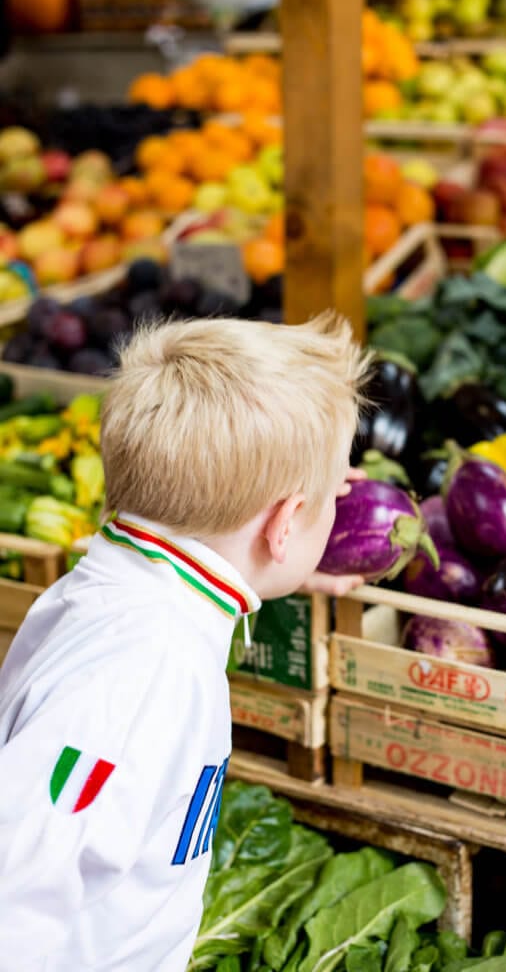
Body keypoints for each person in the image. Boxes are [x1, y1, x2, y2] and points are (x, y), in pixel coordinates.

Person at [0, 313, 368, 972]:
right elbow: (16, 883)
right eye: (335, 491)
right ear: (283, 525)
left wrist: (279, 564)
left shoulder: (137, 588)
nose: (343, 500)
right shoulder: (142, 671)